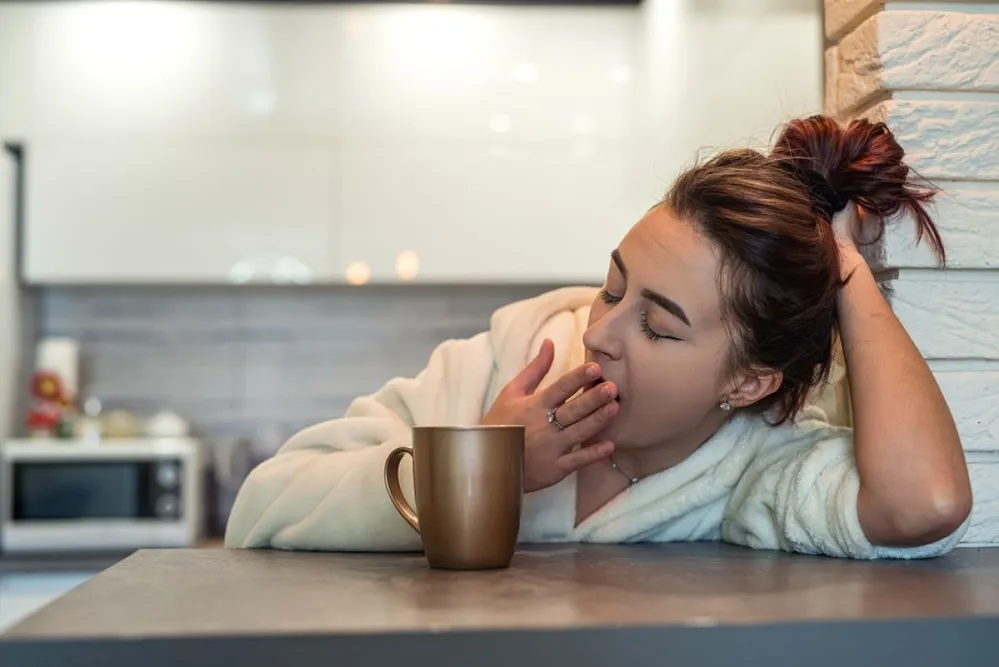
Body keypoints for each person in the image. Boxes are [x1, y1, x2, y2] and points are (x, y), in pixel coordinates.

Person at [225, 115, 972, 559]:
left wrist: (845, 275)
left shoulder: (750, 471)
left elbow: (925, 504)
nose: (599, 331)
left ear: (746, 382)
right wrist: (485, 464)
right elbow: (261, 506)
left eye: (656, 325)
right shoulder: (511, 356)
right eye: (612, 287)